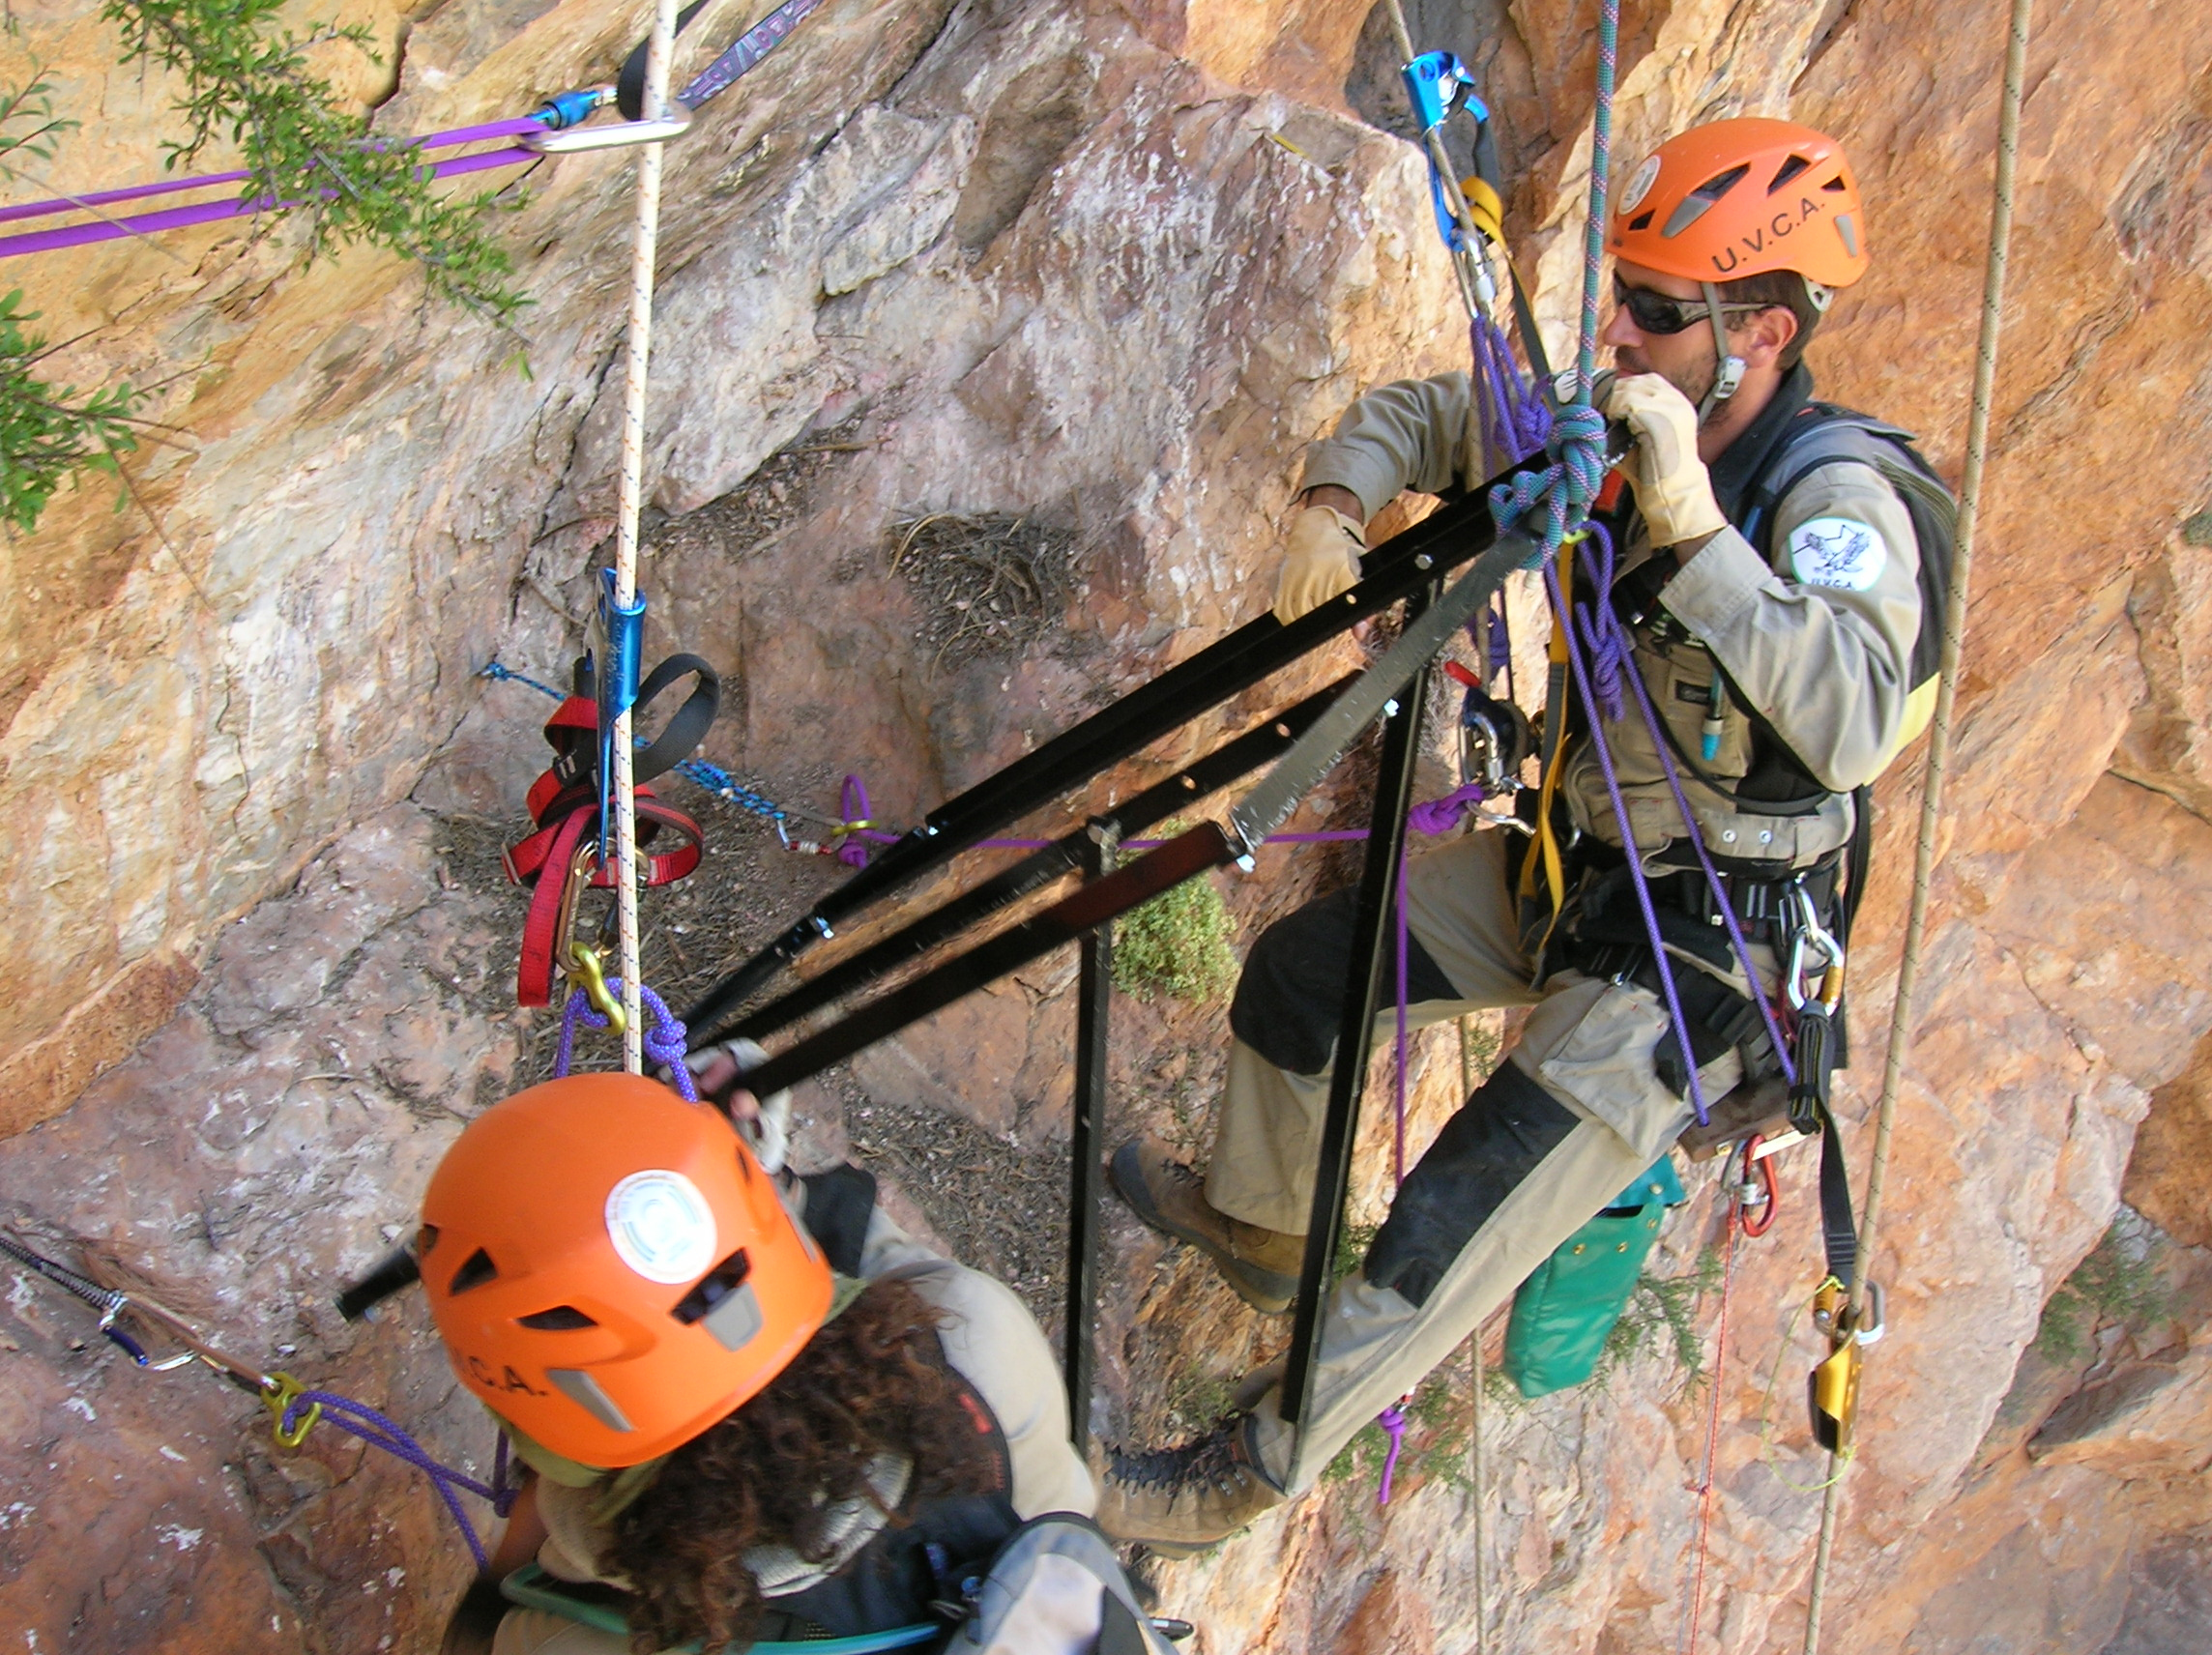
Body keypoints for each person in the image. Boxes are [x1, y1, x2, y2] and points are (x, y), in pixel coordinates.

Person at [1095, 117, 1927, 1549]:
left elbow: (1851, 718)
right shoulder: (1616, 418)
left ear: (1767, 332)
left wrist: (1693, 527)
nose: (1621, 327)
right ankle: (1263, 1232)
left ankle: (1239, 1481)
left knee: (1454, 1217)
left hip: (1698, 961)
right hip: (1578, 868)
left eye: (1660, 312)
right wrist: (1334, 499)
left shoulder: (1834, 500)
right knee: (1307, 976)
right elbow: (1436, 412)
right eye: (1627, 292)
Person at [423, 1070, 1096, 1653]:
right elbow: (853, 1264)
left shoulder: (568, 1644)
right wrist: (741, 1179)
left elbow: (488, 1625)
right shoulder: (973, 1334)